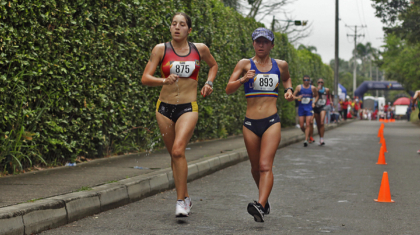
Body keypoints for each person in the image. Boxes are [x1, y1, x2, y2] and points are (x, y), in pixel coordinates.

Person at [141, 12, 218, 217]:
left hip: (187, 107)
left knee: (178, 151)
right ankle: (186, 197)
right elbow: (145, 78)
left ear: (189, 30)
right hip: (164, 108)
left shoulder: (199, 49)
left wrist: (209, 83)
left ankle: (180, 201)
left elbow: (214, 65)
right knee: (174, 156)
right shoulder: (160, 49)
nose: (177, 27)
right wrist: (162, 80)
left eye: (182, 24)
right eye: (174, 24)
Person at [225, 27, 294, 222]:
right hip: (250, 124)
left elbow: (287, 78)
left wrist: (288, 90)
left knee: (265, 166)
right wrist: (242, 79)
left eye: (265, 41)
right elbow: (228, 89)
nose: (261, 45)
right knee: (255, 168)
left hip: (271, 121)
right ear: (253, 44)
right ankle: (264, 202)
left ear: (272, 44)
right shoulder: (245, 64)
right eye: (257, 41)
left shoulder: (280, 65)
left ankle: (259, 204)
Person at [293, 75, 318, 147]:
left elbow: (317, 95)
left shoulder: (312, 88)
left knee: (308, 124)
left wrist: (314, 102)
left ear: (309, 81)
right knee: (301, 125)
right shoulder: (299, 87)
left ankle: (306, 140)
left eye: (308, 80)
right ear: (303, 80)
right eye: (305, 80)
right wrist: (298, 97)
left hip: (309, 108)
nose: (306, 81)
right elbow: (293, 96)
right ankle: (307, 134)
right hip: (301, 107)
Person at [313, 78, 331, 145]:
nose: (320, 83)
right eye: (319, 82)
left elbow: (329, 96)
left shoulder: (327, 90)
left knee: (321, 122)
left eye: (321, 82)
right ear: (317, 83)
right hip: (316, 107)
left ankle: (322, 139)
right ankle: (320, 137)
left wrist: (330, 102)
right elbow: (313, 96)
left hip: (323, 107)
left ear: (323, 83)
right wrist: (317, 91)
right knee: (318, 124)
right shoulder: (315, 89)